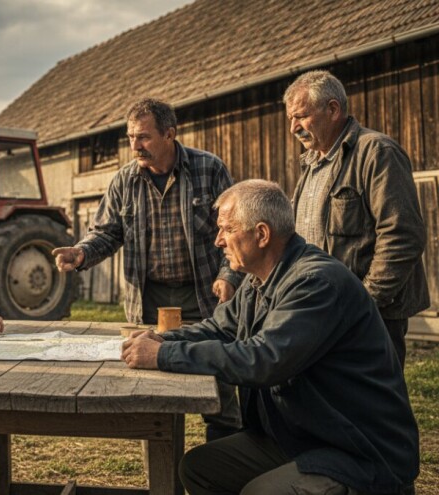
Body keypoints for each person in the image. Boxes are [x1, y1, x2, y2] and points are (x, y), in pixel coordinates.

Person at [122, 180, 419, 495]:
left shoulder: (315, 284)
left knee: (261, 492)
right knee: (199, 469)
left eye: (227, 229)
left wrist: (162, 357)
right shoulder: (258, 281)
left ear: (262, 234)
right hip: (300, 437)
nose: (218, 241)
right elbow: (218, 328)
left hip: (356, 451)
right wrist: (160, 341)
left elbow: (263, 360)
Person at [52, 97, 242, 440]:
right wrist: (81, 254)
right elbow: (106, 233)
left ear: (169, 134)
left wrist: (229, 276)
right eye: (130, 138)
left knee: (219, 391)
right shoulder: (124, 181)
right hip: (149, 300)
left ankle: (222, 467)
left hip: (203, 297)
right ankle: (163, 469)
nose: (134, 146)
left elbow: (233, 230)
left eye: (143, 137)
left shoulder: (208, 169)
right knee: (152, 388)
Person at [284, 70, 429, 367]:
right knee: (336, 402)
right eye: (290, 119)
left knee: (372, 405)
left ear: (333, 109)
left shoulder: (376, 152)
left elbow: (402, 235)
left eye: (300, 117)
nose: (293, 127)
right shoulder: (312, 163)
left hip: (370, 315)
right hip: (323, 309)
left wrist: (365, 301)